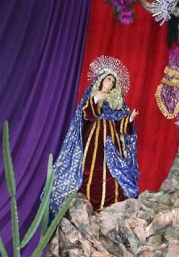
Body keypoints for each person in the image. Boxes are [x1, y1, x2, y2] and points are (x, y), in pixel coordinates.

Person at [50, 56, 139, 213]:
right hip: (94, 139)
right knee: (91, 171)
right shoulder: (93, 95)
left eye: (113, 82)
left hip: (112, 143)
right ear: (101, 80)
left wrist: (130, 119)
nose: (110, 83)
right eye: (108, 79)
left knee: (113, 174)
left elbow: (121, 126)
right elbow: (86, 114)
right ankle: (89, 207)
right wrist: (96, 98)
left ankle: (111, 209)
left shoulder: (116, 102)